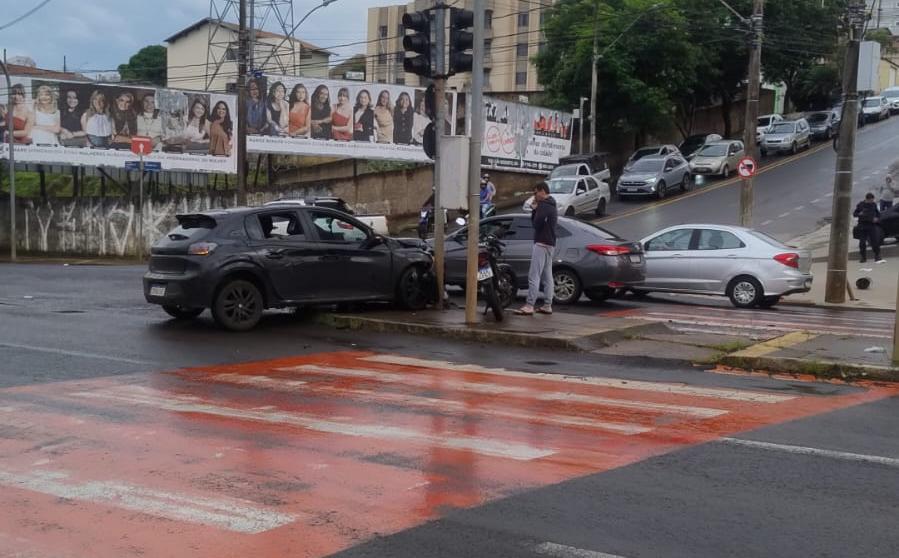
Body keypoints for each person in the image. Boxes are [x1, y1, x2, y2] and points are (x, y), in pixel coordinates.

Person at [515, 182, 558, 315]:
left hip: (541, 243)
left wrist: (535, 209)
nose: (535, 196)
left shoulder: (544, 205)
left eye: (536, 192)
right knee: (547, 275)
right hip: (550, 243)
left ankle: (529, 305)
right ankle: (547, 305)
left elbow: (536, 224)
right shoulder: (552, 204)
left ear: (542, 191)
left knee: (534, 275)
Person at [854, 192, 884, 264]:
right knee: (862, 243)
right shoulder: (860, 205)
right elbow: (855, 214)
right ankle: (863, 257)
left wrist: (877, 218)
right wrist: (859, 214)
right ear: (867, 199)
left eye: (873, 200)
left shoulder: (873, 204)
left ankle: (877, 255)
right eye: (871, 200)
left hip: (871, 226)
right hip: (862, 226)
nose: (872, 202)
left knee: (875, 241)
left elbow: (877, 213)